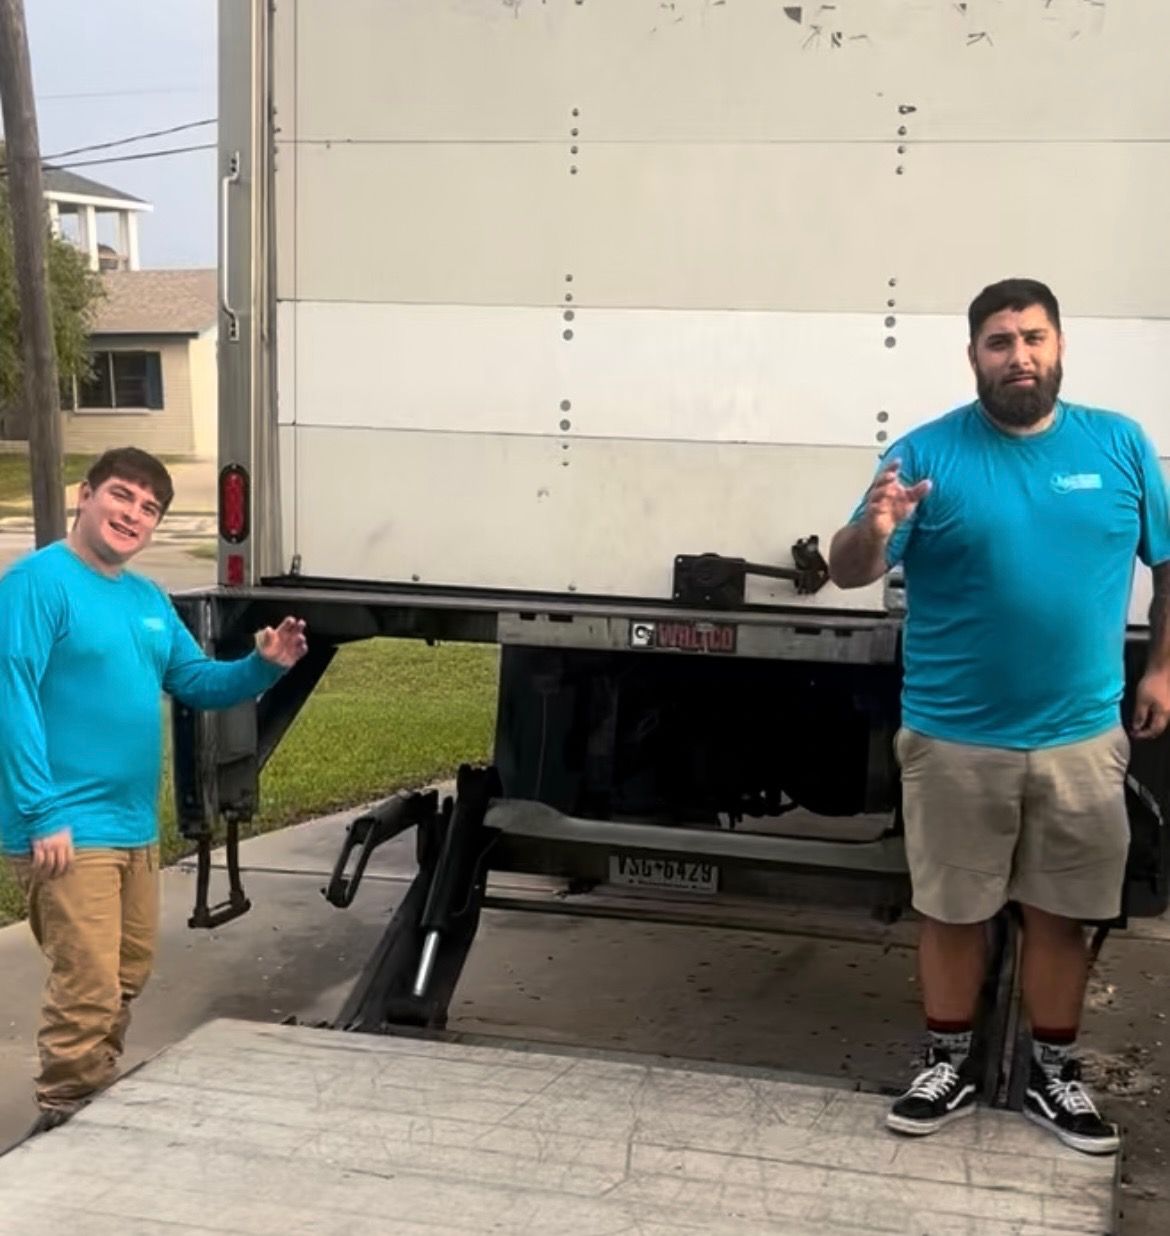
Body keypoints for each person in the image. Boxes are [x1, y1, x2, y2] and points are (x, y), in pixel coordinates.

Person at [829, 278, 1170, 1156]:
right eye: (999, 342)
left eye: (1033, 338)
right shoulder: (923, 454)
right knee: (952, 911)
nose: (1019, 355)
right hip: (953, 738)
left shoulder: (1121, 445)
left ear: (1059, 347)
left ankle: (1055, 1078)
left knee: (1063, 914)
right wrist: (873, 528)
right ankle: (948, 1063)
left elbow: (1168, 567)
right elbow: (849, 568)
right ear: (973, 355)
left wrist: (1163, 669)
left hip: (1080, 739)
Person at [0, 447, 308, 1134]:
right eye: (121, 496)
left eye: (149, 508)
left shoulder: (145, 600)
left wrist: (263, 666)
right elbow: (9, 695)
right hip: (65, 827)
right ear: (86, 495)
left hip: (132, 825)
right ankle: (64, 1114)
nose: (133, 515)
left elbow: (196, 682)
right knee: (88, 984)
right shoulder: (37, 585)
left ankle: (89, 1097)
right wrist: (41, 810)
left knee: (126, 973)